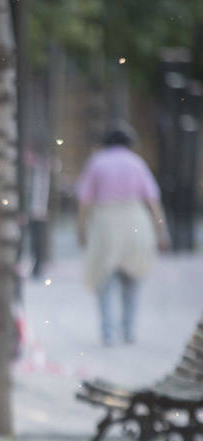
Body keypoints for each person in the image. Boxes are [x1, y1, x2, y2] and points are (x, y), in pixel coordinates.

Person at [75, 121, 170, 346]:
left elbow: (84, 202)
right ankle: (128, 330)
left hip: (105, 223)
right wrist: (161, 230)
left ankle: (108, 332)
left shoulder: (96, 162)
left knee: (104, 280)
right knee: (133, 279)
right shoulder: (137, 163)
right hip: (134, 220)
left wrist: (81, 229)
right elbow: (153, 202)